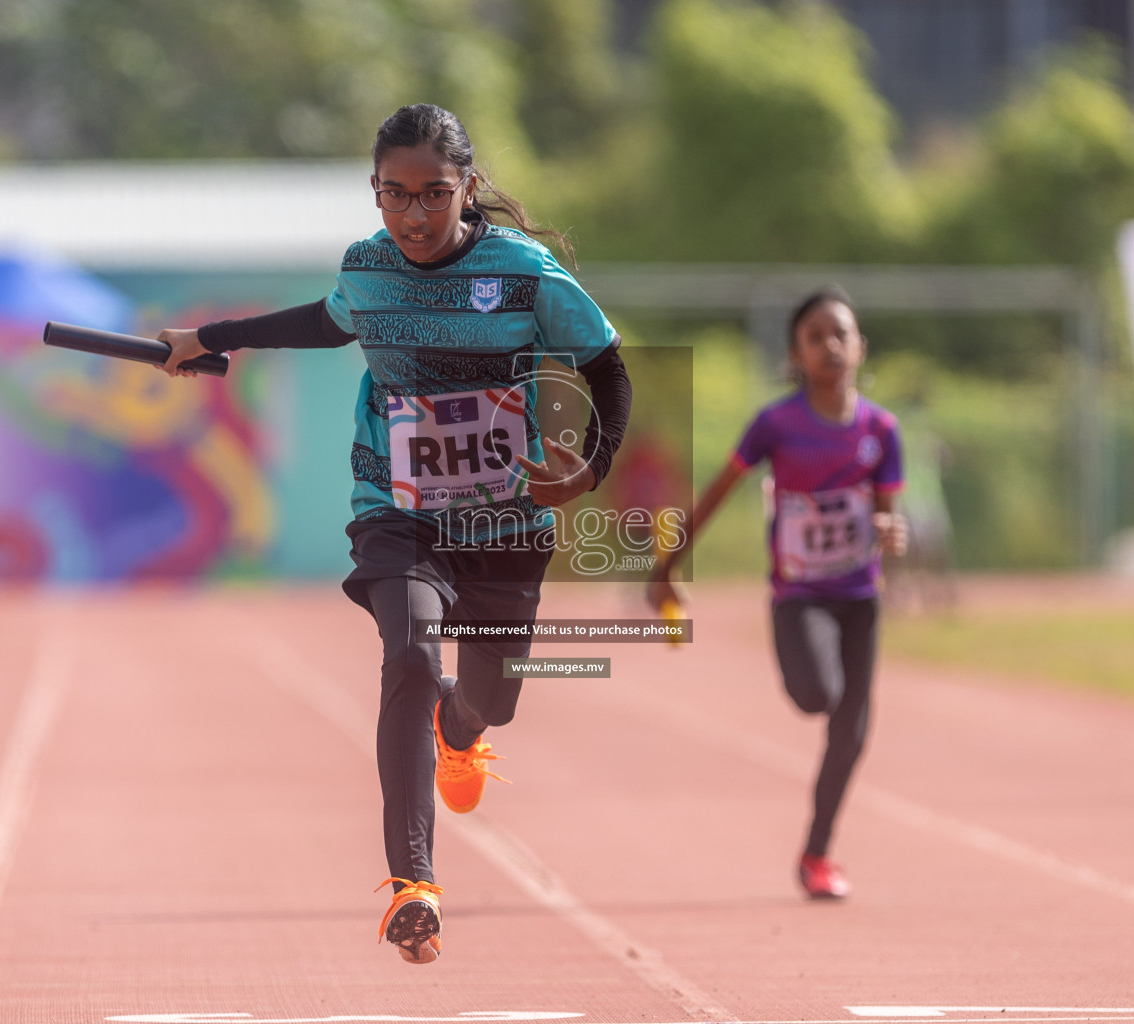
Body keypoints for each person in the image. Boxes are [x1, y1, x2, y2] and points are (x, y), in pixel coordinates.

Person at [158, 103, 630, 963]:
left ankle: (464, 729)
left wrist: (591, 467)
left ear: (467, 188)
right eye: (394, 195)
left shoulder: (524, 274)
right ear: (374, 193)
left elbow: (605, 361)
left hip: (504, 523)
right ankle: (413, 884)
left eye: (434, 195)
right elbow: (325, 321)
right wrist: (207, 339)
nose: (414, 215)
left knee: (491, 698)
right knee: (409, 653)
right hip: (397, 509)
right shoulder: (368, 268)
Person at [648, 286, 903, 900]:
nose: (830, 346)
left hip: (860, 597)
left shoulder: (881, 430)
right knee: (820, 694)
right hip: (800, 597)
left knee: (852, 732)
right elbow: (715, 494)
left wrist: (893, 534)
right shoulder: (777, 424)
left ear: (860, 345)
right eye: (816, 337)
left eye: (841, 333)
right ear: (797, 353)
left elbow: (888, 519)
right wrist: (668, 566)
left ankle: (817, 855)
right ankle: (817, 843)